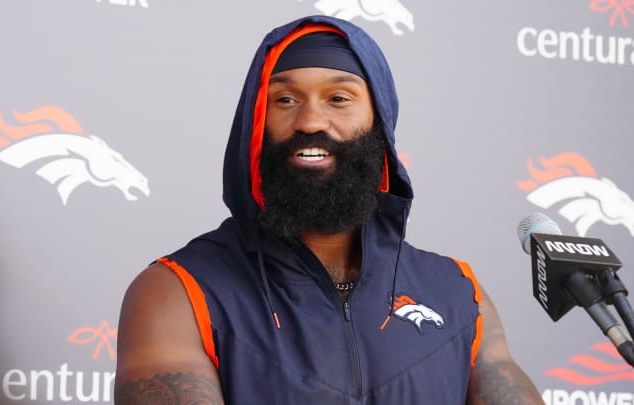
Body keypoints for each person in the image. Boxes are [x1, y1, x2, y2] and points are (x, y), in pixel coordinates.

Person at [115, 15, 544, 404]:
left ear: (379, 124)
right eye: (284, 100)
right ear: (255, 123)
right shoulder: (179, 292)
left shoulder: (457, 293)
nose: (310, 121)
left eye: (339, 98)